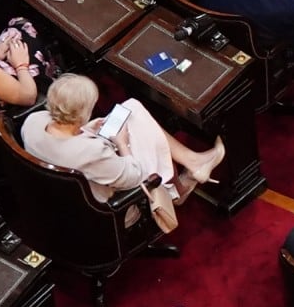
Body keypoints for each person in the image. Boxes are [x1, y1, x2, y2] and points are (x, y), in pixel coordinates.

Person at [24, 70, 224, 234]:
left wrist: (85, 130)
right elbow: (134, 177)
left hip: (59, 199)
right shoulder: (92, 152)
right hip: (107, 211)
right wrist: (122, 144)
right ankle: (181, 181)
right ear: (82, 113)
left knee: (132, 108)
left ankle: (191, 164)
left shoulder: (32, 123)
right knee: (139, 130)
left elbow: (63, 145)